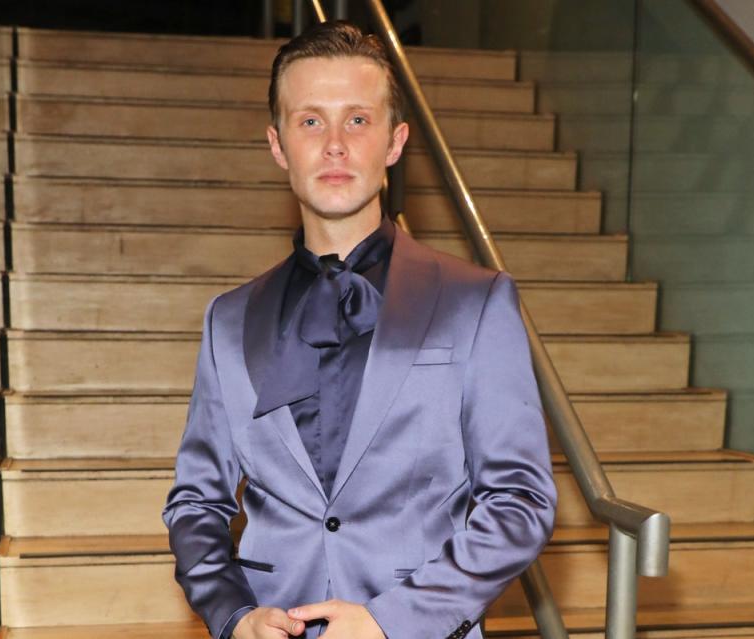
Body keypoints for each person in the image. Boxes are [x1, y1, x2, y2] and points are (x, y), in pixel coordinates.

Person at [162, 20, 556, 639]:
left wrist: (391, 620)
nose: (335, 145)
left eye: (358, 120)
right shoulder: (229, 319)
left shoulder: (475, 301)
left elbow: (519, 503)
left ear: (395, 142)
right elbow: (196, 502)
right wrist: (233, 614)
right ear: (277, 144)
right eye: (311, 121)